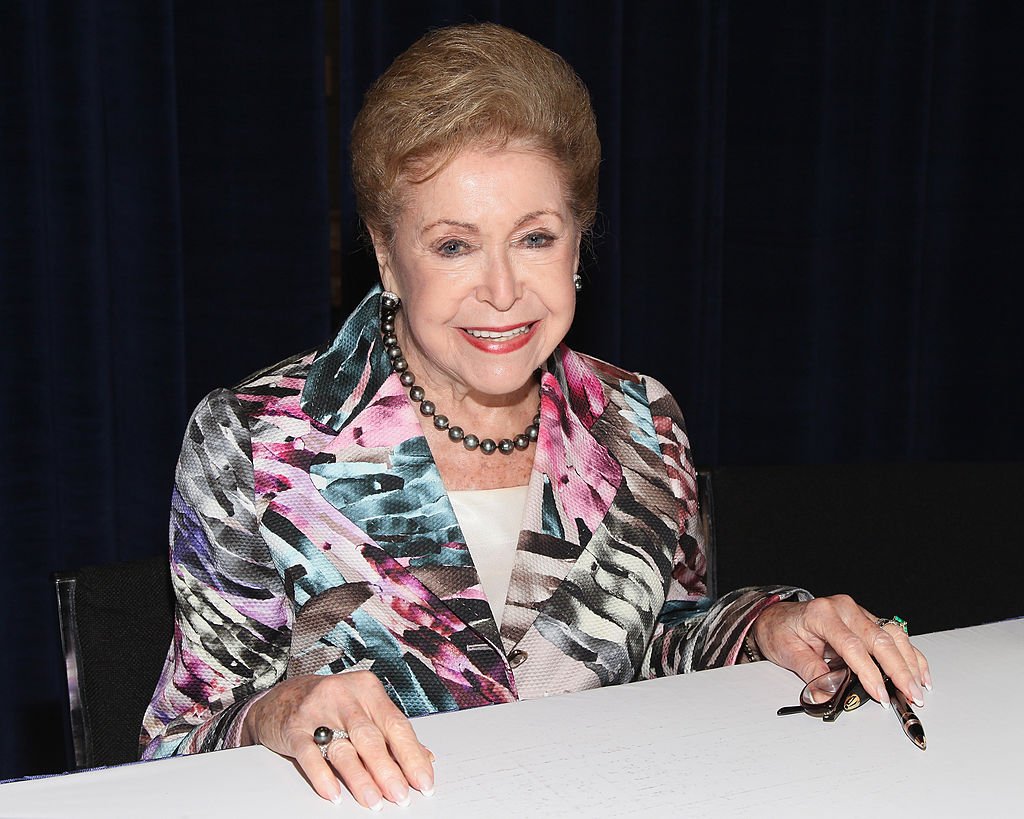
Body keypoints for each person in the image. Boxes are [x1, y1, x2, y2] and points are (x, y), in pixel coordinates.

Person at [141, 23, 930, 810]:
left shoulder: (640, 420)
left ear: (578, 243)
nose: (503, 290)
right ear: (385, 253)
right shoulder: (254, 440)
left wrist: (764, 624)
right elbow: (176, 741)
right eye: (453, 245)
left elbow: (653, 637)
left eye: (535, 238)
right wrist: (280, 710)